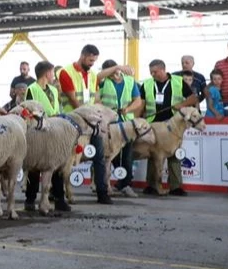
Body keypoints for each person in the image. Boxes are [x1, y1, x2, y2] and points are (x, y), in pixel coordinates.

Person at [57, 45, 133, 205]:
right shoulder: (66, 72)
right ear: (83, 55)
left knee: (99, 157)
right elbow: (73, 100)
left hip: (92, 124)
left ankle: (102, 192)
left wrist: (97, 116)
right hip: (72, 123)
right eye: (91, 60)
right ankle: (58, 194)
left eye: (94, 61)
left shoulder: (92, 75)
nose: (92, 63)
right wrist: (89, 117)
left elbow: (95, 98)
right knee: (64, 159)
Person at [140, 60, 198, 196]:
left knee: (174, 153)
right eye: (151, 72)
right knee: (153, 154)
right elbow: (141, 103)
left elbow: (193, 98)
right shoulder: (147, 84)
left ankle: (176, 186)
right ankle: (152, 185)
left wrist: (182, 104)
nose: (152, 74)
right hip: (153, 124)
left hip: (173, 125)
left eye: (155, 72)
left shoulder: (178, 81)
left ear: (163, 69)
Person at [22, 60, 66, 211]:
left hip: (54, 131)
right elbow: (27, 109)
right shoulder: (32, 89)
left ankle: (59, 198)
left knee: (56, 164)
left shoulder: (53, 90)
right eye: (52, 72)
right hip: (38, 132)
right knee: (35, 165)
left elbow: (57, 108)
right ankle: (30, 198)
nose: (53, 75)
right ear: (47, 73)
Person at [98, 59, 143, 198]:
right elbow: (98, 76)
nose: (114, 74)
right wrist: (116, 67)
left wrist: (128, 109)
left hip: (125, 124)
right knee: (111, 156)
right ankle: (108, 184)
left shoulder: (130, 81)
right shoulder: (103, 81)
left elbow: (138, 100)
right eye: (110, 72)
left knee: (128, 155)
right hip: (108, 123)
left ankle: (126, 184)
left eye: (115, 71)